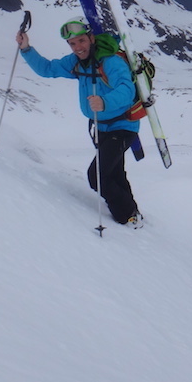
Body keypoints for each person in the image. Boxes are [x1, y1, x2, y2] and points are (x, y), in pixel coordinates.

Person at [17, 18, 143, 227]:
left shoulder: (111, 61)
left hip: (122, 127)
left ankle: (126, 216)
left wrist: (104, 102)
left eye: (82, 41)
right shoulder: (76, 61)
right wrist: (26, 48)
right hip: (101, 127)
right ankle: (133, 213)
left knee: (97, 177)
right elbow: (48, 69)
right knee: (115, 173)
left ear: (91, 38)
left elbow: (127, 90)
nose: (78, 47)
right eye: (72, 44)